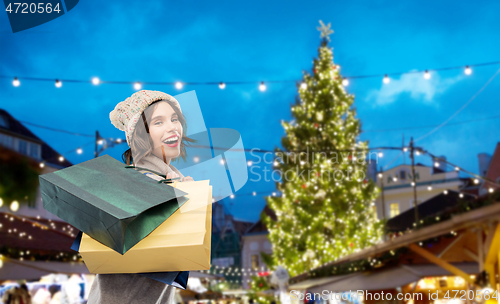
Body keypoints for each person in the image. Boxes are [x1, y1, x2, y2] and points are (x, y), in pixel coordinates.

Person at [87, 90, 196, 304]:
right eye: (158, 122)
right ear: (140, 135)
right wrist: (183, 200)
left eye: (175, 119)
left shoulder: (167, 179)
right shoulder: (136, 182)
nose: (172, 127)